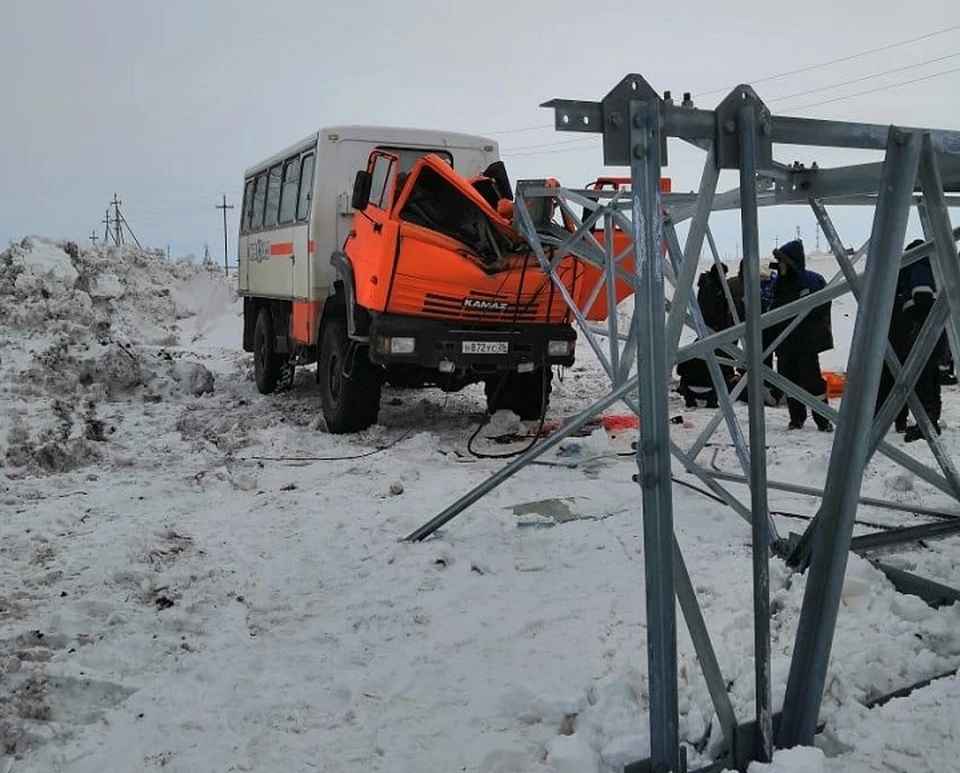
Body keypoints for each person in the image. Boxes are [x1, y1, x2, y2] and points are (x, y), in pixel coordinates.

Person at [875, 238, 943, 441]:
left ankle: (925, 424)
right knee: (924, 379)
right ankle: (918, 421)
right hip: (922, 338)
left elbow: (921, 301)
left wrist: (914, 327)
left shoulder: (919, 270)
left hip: (916, 338)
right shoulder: (924, 272)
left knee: (920, 380)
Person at [767, 239, 834, 431]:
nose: (779, 265)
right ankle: (796, 418)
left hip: (806, 343)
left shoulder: (811, 281)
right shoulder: (779, 283)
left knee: (812, 381)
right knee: (789, 381)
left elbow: (820, 307)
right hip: (785, 342)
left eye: (781, 261)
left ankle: (823, 419)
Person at [676, 264, 735, 408]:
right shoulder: (710, 287)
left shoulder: (694, 349)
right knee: (720, 365)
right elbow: (710, 309)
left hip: (689, 388)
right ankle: (712, 399)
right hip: (711, 329)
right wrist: (716, 326)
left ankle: (691, 397)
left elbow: (680, 370)